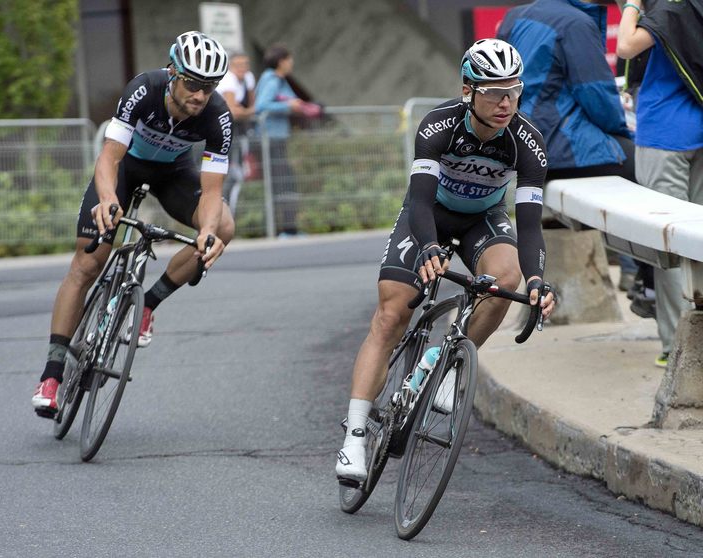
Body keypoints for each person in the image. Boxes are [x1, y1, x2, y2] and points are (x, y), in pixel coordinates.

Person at [335, 39, 555, 482]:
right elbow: (418, 202)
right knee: (392, 313)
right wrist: (430, 246)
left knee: (505, 279)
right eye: (494, 91)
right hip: (429, 214)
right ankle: (355, 436)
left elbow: (529, 224)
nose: (505, 101)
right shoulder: (438, 125)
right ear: (468, 90)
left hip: (483, 219)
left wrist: (536, 279)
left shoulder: (528, 142)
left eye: (513, 90)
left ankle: (450, 361)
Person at [31, 31, 235, 417]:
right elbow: (109, 157)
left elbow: (212, 191)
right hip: (125, 169)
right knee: (90, 262)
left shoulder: (218, 116)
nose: (199, 95)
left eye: (208, 87)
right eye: (192, 83)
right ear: (173, 72)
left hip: (173, 175)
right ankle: (52, 374)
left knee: (223, 227)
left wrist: (206, 231)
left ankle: (148, 304)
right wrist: (108, 199)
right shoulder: (144, 89)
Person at [497, 0, 641, 292]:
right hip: (559, 148)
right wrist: (627, 130)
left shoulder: (514, 16)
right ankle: (645, 280)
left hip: (519, 146)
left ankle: (633, 273)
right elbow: (597, 95)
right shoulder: (576, 23)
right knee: (641, 163)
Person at [616, 0, 703, 368]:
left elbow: (625, 45)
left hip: (665, 134)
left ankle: (676, 344)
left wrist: (633, 4)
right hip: (698, 131)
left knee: (669, 244)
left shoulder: (670, 10)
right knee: (699, 240)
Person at [254, 44, 320, 236]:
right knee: (283, 183)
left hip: (278, 139)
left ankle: (288, 228)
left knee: (284, 182)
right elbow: (262, 106)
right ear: (281, 61)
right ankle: (285, 229)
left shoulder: (279, 80)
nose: (291, 63)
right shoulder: (272, 79)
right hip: (271, 140)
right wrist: (288, 105)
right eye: (289, 59)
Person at [216, 51, 256, 213]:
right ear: (231, 67)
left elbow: (253, 105)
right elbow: (234, 111)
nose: (242, 69)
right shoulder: (228, 81)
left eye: (245, 65)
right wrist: (247, 111)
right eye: (238, 65)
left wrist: (245, 111)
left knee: (238, 172)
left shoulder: (249, 78)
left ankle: (230, 210)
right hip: (222, 130)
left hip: (239, 132)